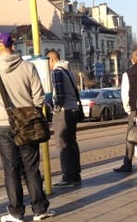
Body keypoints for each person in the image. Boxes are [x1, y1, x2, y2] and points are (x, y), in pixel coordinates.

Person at [0, 32, 54, 222]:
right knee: (31, 166)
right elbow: (39, 97)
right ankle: (39, 209)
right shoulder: (28, 67)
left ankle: (16, 213)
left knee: (11, 169)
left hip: (3, 125)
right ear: (13, 45)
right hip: (27, 123)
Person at [46, 50, 82, 187]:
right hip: (73, 109)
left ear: (52, 60)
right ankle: (76, 174)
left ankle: (67, 176)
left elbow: (60, 96)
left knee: (62, 144)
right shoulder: (69, 71)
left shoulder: (56, 72)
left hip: (64, 112)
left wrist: (54, 111)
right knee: (72, 142)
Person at [114, 51, 137, 173]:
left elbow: (125, 94)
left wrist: (127, 108)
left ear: (132, 60)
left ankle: (128, 162)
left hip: (134, 108)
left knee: (131, 135)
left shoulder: (128, 74)